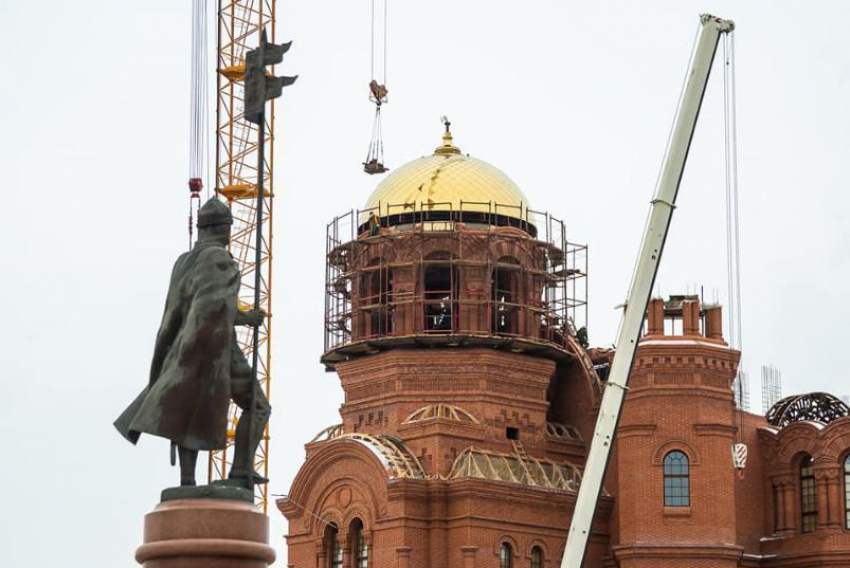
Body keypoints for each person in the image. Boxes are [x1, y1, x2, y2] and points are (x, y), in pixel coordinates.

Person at [114, 198, 270, 487]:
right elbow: (213, 307)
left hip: (184, 349)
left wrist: (244, 319)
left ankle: (188, 481)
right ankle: (240, 471)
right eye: (228, 228)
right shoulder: (219, 258)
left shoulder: (183, 262)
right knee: (258, 406)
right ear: (223, 229)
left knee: (189, 408)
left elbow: (203, 304)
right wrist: (246, 321)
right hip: (216, 349)